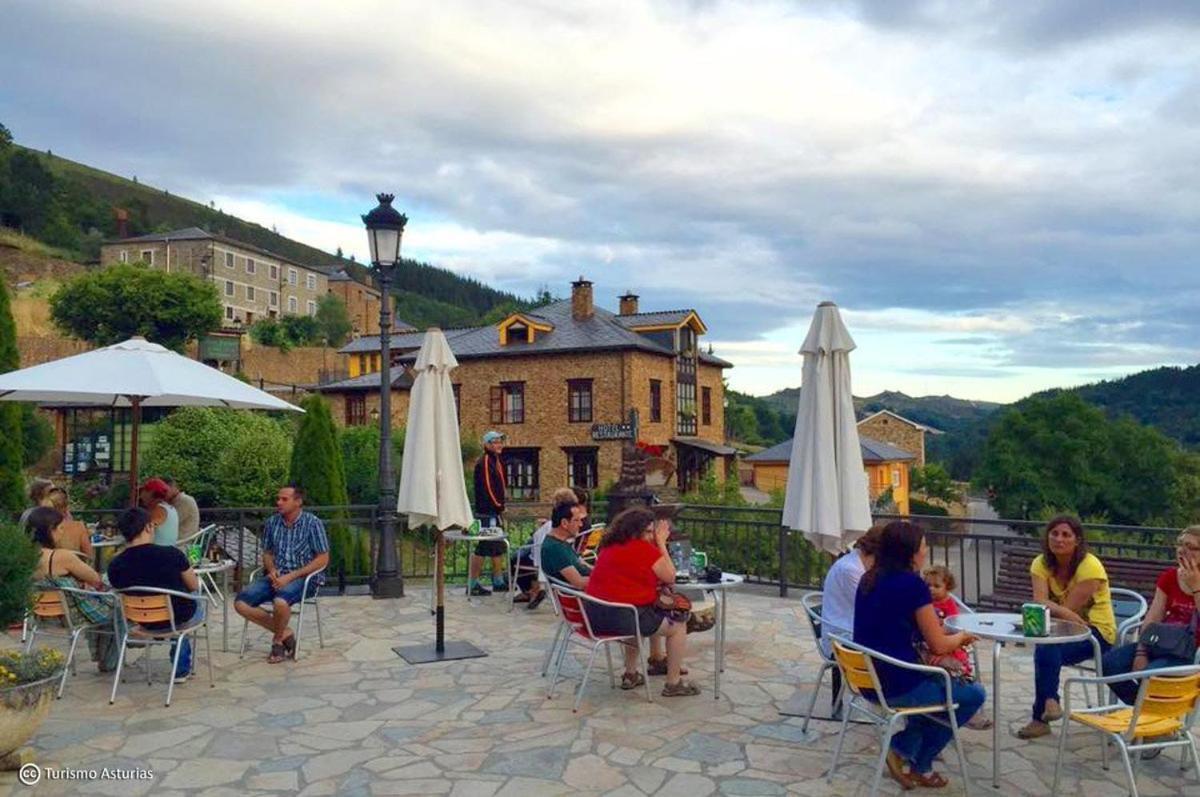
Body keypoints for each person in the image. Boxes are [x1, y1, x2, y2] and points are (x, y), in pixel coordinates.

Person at [854, 520, 984, 790]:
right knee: (973, 695)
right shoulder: (913, 586)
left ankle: (905, 751)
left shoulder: (869, 578)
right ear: (911, 552)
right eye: (924, 546)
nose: (926, 551)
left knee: (937, 695)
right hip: (897, 683)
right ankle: (913, 759)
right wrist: (961, 638)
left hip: (868, 679)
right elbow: (938, 644)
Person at [1017, 515, 1117, 739]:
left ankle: (1041, 716)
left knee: (1046, 648)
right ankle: (1050, 703)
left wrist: (1063, 611)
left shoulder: (1090, 566)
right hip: (1063, 629)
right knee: (1046, 647)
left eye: (1066, 535)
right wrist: (1065, 612)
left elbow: (1058, 609)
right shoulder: (1041, 563)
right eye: (1054, 533)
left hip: (1097, 633)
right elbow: (1041, 602)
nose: (1059, 539)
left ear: (1077, 540)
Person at [584, 507, 699, 697]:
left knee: (640, 611)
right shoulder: (643, 549)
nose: (651, 536)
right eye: (648, 532)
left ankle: (631, 674)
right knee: (678, 624)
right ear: (634, 531)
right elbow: (670, 576)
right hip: (622, 618)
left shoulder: (609, 547)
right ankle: (673, 682)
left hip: (594, 616)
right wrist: (661, 543)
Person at [1101, 525, 1200, 706]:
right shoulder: (1170, 577)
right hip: (1163, 641)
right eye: (1180, 544)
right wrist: (1141, 651)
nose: (1182, 550)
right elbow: (1153, 617)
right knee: (1110, 663)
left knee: (1152, 675)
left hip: (1192, 651)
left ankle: (1154, 717)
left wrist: (1196, 587)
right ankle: (1148, 711)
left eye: (1191, 547)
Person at [234, 485, 330, 664]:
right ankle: (285, 633)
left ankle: (277, 642)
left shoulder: (313, 523)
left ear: (298, 502)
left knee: (280, 602)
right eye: (278, 499)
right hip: (277, 576)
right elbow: (267, 553)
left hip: (304, 578)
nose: (279, 502)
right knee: (241, 603)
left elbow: (322, 559)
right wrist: (271, 570)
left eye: (284, 499)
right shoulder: (272, 522)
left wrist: (291, 576)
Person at [107, 506, 201, 683]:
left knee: (176, 606)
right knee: (195, 601)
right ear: (149, 527)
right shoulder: (172, 554)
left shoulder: (115, 564)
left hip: (141, 620)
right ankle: (180, 669)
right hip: (175, 618)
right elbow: (193, 584)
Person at [514, 487, 577, 609]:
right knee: (523, 554)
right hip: (560, 556)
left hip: (544, 558)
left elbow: (542, 544)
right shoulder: (571, 522)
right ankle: (535, 589)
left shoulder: (555, 527)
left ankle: (531, 591)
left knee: (515, 559)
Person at [469, 431, 508, 596]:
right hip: (488, 511)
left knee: (497, 545)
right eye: (494, 442)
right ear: (486, 445)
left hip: (494, 511)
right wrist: (498, 505)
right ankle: (473, 583)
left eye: (500, 441)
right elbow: (488, 487)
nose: (498, 444)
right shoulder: (485, 461)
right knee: (484, 546)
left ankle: (497, 579)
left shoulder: (495, 460)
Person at [540, 501, 591, 590]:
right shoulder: (554, 548)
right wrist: (606, 579)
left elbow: (582, 563)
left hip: (590, 594)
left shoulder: (562, 543)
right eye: (576, 520)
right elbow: (579, 582)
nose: (581, 524)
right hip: (581, 599)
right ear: (564, 523)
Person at [41, 486, 93, 559]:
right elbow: (89, 556)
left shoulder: (40, 526)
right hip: (74, 567)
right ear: (66, 506)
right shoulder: (78, 527)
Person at [138, 478, 180, 547]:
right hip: (168, 550)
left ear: (150, 493)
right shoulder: (169, 508)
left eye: (142, 491)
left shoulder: (159, 510)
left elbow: (145, 530)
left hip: (158, 552)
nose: (140, 495)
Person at [162, 476, 200, 541]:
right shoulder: (174, 502)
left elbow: (167, 524)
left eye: (164, 491)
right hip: (177, 541)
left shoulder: (185, 500)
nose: (162, 494)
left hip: (182, 543)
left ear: (172, 487)